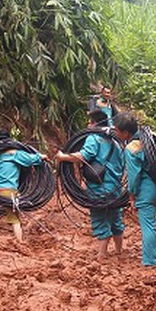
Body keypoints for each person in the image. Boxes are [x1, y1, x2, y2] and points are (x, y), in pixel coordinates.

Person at [112, 112, 156, 267]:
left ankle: (150, 261)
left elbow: (134, 175)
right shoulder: (153, 136)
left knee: (149, 226)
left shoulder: (132, 148)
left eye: (117, 131)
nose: (115, 134)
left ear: (126, 133)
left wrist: (132, 195)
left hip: (146, 190)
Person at [56, 110, 125, 260]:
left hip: (99, 188)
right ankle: (119, 251)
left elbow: (83, 156)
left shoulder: (93, 138)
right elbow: (122, 165)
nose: (88, 125)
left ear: (94, 123)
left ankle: (102, 254)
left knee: (99, 218)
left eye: (89, 122)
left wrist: (63, 157)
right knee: (115, 218)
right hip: (115, 188)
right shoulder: (116, 142)